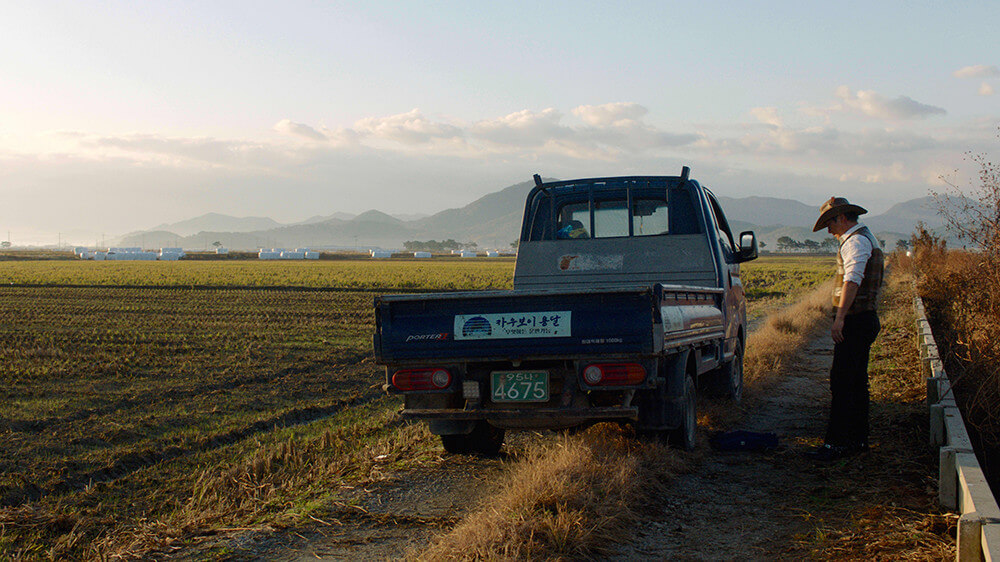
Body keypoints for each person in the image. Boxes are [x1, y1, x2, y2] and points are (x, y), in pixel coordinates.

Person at [805, 197, 883, 462]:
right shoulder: (864, 237)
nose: (828, 229)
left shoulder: (855, 241)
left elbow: (852, 280)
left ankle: (836, 444)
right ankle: (857, 440)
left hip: (856, 320)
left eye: (829, 223)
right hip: (864, 318)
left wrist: (840, 318)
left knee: (842, 381)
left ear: (841, 218)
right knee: (856, 382)